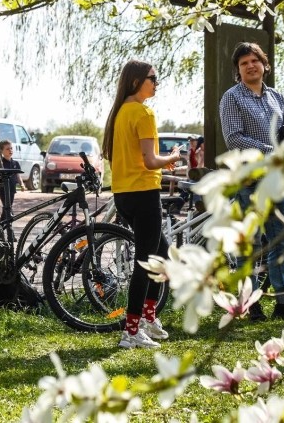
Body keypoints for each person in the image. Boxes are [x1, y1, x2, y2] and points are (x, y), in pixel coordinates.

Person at [219, 42, 284, 321]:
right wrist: (271, 151)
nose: (250, 66)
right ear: (238, 70)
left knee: (283, 241)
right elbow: (234, 138)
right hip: (249, 181)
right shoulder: (232, 98)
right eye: (243, 63)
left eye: (254, 61)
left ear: (264, 64)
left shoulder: (276, 97)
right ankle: (248, 304)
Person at [102, 60, 181, 349]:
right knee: (146, 262)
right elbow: (150, 160)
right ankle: (131, 331)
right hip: (144, 194)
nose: (156, 82)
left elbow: (138, 159)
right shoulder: (144, 112)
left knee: (161, 255)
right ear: (136, 81)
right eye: (152, 78)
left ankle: (147, 318)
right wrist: (171, 157)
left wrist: (161, 164)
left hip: (124, 195)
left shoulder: (120, 112)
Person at [0, 139, 24, 242]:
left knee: (7, 210)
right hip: (3, 189)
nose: (10, 150)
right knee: (8, 210)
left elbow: (17, 175)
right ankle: (9, 234)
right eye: (7, 149)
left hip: (12, 189)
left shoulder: (15, 163)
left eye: (11, 148)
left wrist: (21, 184)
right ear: (1, 151)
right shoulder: (1, 163)